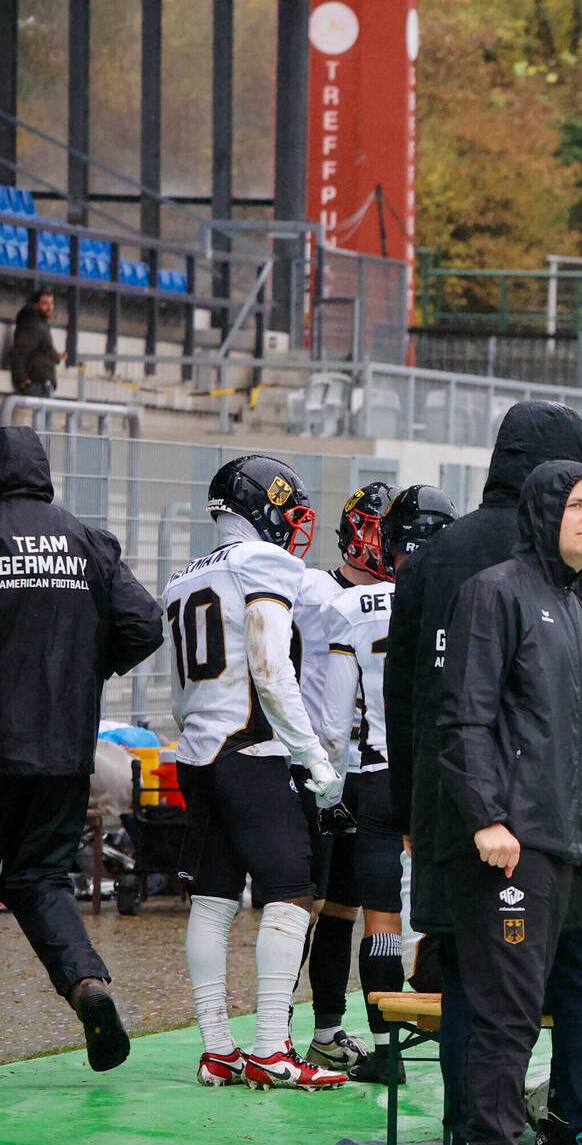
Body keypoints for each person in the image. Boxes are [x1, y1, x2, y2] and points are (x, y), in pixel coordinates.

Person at [386, 402, 582, 1145]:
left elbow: (408, 699)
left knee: (467, 976)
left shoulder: (435, 558)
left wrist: (409, 813)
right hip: (557, 818)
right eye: (580, 490)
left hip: (456, 810)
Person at [436, 461, 582, 1145]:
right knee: (505, 1011)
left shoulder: (580, 615)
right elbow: (463, 714)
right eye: (576, 504)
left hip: (556, 847)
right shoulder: (496, 592)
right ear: (543, 510)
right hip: (506, 846)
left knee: (518, 1009)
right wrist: (486, 816)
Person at [164, 455, 348, 1091]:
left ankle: (218, 1048)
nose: (294, 526)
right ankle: (271, 1047)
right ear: (261, 508)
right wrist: (314, 756)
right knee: (290, 891)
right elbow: (271, 669)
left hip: (198, 753)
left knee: (213, 899)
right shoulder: (264, 562)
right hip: (250, 752)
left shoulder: (184, 577)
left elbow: (182, 692)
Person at [0, 425, 161, 1071]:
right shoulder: (87, 541)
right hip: (64, 749)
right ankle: (87, 985)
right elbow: (144, 623)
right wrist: (85, 672)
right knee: (39, 877)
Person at [314, 484, 457, 1085]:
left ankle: (385, 1048)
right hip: (452, 775)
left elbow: (332, 720)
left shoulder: (352, 605)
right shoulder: (469, 597)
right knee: (457, 911)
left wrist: (329, 788)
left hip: (376, 774)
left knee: (380, 918)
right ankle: (465, 1036)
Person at [301, 481, 394, 1076]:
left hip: (369, 771)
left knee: (346, 908)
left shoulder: (391, 598)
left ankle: (329, 1031)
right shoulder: (315, 591)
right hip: (325, 767)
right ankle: (278, 1032)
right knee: (306, 905)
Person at [6, 289, 59, 397]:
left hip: (41, 383)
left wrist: (55, 356)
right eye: (45, 303)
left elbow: (41, 350)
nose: (50, 307)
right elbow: (18, 352)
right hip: (36, 384)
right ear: (35, 305)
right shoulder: (33, 324)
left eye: (51, 303)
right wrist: (22, 380)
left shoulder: (41, 324)